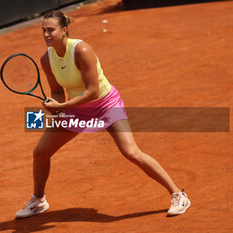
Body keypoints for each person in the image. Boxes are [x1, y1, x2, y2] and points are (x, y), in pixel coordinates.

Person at [15, 10, 191, 218]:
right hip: (76, 109)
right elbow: (56, 91)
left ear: (64, 30)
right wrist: (56, 105)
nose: (46, 35)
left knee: (131, 152)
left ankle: (178, 195)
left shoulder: (81, 50)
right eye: (43, 30)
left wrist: (62, 107)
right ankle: (38, 200)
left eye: (50, 30)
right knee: (40, 152)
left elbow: (92, 92)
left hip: (106, 105)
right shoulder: (47, 58)